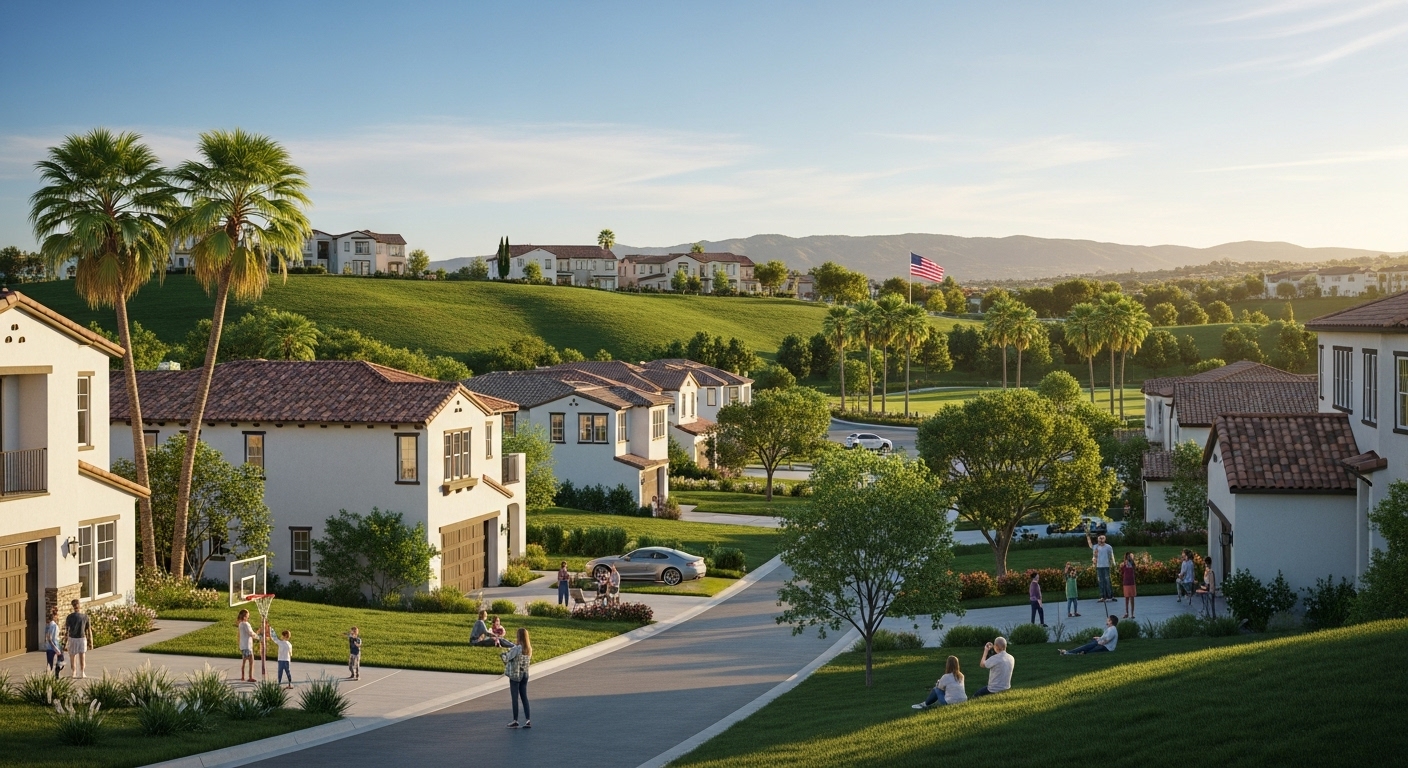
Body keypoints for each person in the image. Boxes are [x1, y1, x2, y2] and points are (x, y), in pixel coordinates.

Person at [502, 627, 533, 729]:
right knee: (524, 696)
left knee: (515, 698)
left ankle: (515, 720)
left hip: (516, 675)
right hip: (525, 674)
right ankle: (528, 720)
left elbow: (507, 658)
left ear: (519, 636)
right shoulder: (529, 649)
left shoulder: (517, 649)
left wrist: (503, 655)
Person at [64, 599, 93, 679]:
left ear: (72, 606)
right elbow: (89, 630)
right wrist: (91, 642)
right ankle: (82, 672)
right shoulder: (85, 617)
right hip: (81, 638)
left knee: (72, 656)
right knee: (82, 655)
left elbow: (67, 631)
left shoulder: (69, 617)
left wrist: (65, 643)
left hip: (72, 638)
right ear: (79, 606)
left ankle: (73, 672)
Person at [1087, 531, 1115, 602]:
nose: (1101, 539)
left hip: (1106, 566)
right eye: (1100, 538)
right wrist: (1088, 536)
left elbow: (1111, 556)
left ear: (1105, 539)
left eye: (1103, 538)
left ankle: (1110, 596)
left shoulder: (1108, 547)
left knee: (1107, 581)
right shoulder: (1096, 546)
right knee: (1101, 581)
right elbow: (1090, 545)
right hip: (1099, 566)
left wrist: (1113, 564)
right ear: (1098, 539)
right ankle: (1103, 596)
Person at [237, 608, 259, 682]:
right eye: (248, 615)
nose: (249, 617)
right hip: (247, 646)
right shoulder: (246, 624)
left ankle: (242, 676)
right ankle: (250, 677)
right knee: (251, 661)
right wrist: (258, 637)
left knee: (244, 661)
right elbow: (251, 633)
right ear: (245, 616)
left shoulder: (240, 624)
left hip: (243, 646)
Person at [44, 607, 62, 678]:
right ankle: (55, 676)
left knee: (49, 663)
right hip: (54, 647)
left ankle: (49, 676)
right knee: (58, 662)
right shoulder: (54, 626)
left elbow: (46, 637)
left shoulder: (47, 626)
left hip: (48, 648)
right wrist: (56, 648)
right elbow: (51, 638)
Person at [1119, 552, 1138, 619]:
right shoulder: (1124, 564)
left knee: (1132, 599)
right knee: (1126, 599)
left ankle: (1132, 614)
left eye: (1130, 556)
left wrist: (1132, 563)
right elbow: (1121, 571)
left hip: (1132, 583)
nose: (1129, 557)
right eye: (1127, 556)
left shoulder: (1133, 564)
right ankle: (1126, 613)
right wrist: (1123, 565)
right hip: (1126, 583)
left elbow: (1134, 570)